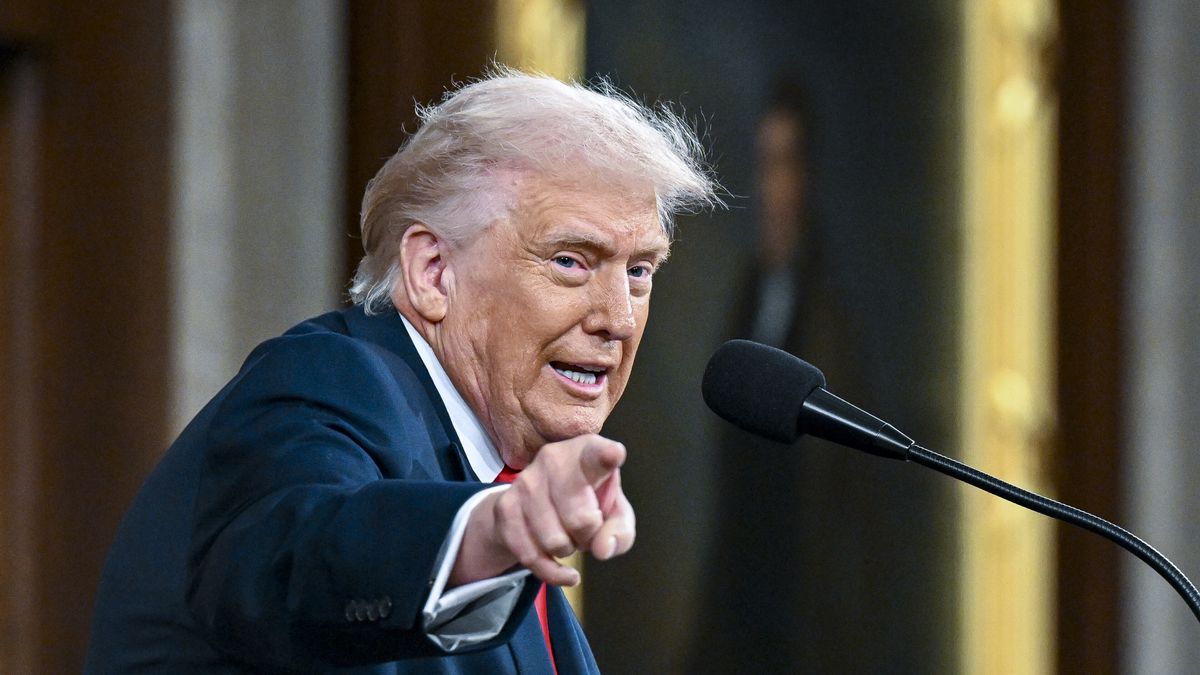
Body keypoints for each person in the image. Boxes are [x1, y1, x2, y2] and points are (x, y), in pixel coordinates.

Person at [85, 68, 718, 673]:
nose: (618, 319)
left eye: (638, 272)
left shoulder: (501, 495)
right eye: (572, 262)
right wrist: (492, 527)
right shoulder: (333, 380)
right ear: (433, 272)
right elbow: (299, 555)